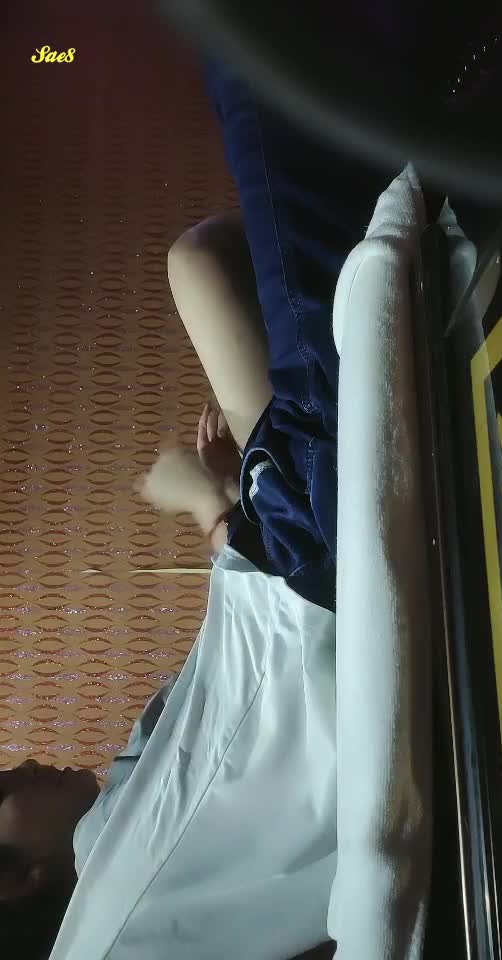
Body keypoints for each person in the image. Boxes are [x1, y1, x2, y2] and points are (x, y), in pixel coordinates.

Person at [0, 57, 389, 960]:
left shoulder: (125, 816)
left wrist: (216, 510)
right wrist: (211, 506)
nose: (16, 765)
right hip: (315, 567)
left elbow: (241, 697)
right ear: (15, 881)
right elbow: (275, 687)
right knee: (240, 152)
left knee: (203, 262)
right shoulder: (110, 895)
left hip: (281, 557)